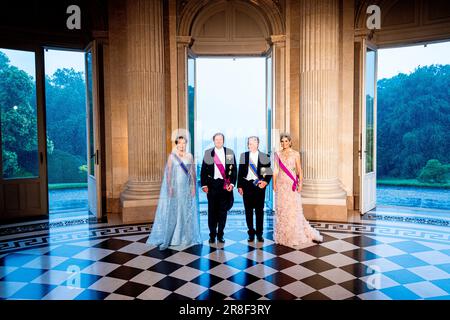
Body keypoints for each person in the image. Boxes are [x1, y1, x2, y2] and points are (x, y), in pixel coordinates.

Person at [147, 136, 201, 250]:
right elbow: (169, 173)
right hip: (175, 189)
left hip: (186, 189)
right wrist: (170, 187)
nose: (182, 145)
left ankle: (186, 236)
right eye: (180, 143)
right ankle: (174, 237)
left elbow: (192, 172)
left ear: (186, 144)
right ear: (176, 144)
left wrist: (193, 187)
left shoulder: (189, 156)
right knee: (174, 212)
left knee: (185, 211)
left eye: (184, 143)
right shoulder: (172, 157)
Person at [273, 133, 323, 247]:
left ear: (290, 142)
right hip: (281, 185)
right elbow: (275, 170)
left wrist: (300, 184)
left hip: (291, 185)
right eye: (282, 141)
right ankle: (283, 235)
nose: (284, 143)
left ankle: (294, 234)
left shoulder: (295, 154)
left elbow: (299, 170)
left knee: (292, 209)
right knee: (282, 210)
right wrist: (274, 184)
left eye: (286, 141)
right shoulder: (277, 154)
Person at [200, 133, 237, 244]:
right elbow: (203, 171)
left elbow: (234, 170)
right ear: (214, 141)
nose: (219, 141)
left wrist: (232, 184)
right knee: (212, 212)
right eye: (216, 140)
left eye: (220, 139)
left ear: (223, 140)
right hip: (212, 186)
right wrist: (204, 185)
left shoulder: (229, 153)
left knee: (222, 212)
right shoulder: (208, 153)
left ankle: (220, 235)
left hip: (225, 186)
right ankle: (212, 235)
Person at [237, 136, 272, 242]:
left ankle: (259, 233)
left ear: (258, 144)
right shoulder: (244, 156)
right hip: (247, 186)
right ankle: (251, 233)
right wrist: (239, 186)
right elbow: (240, 172)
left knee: (259, 211)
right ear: (248, 145)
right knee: (248, 211)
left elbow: (268, 173)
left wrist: (265, 182)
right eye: (250, 143)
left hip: (259, 186)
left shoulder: (264, 156)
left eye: (254, 143)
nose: (252, 145)